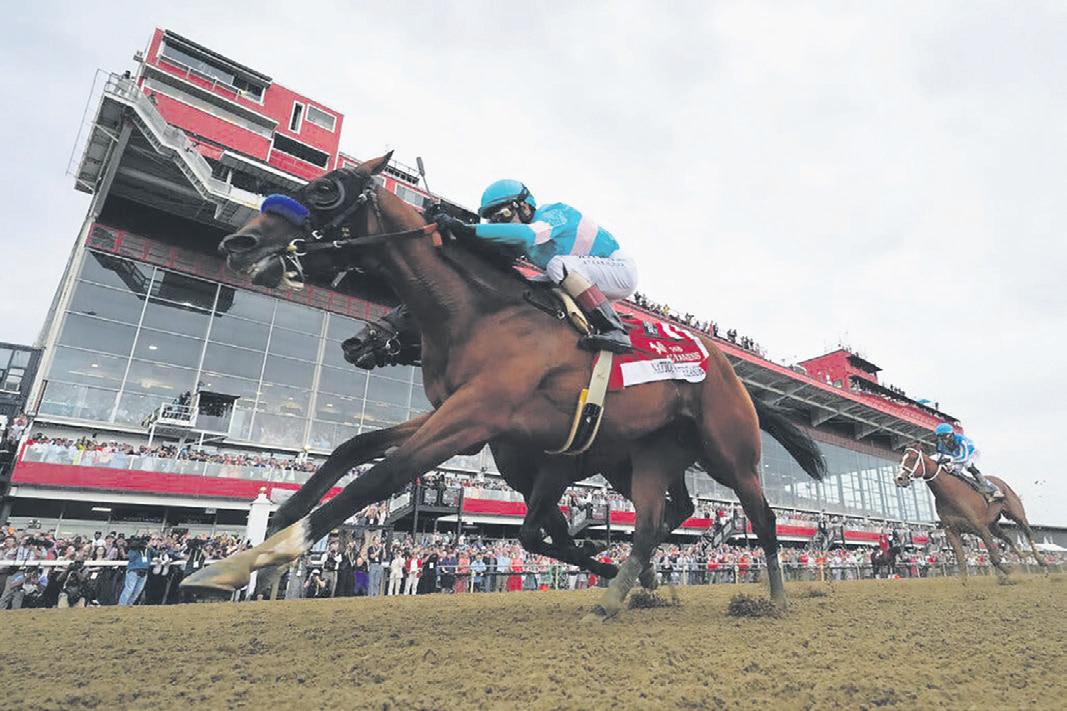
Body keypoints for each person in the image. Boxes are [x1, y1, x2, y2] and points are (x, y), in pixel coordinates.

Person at [434, 179, 637, 353]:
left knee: (558, 265)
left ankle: (614, 330)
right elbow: (494, 254)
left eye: (503, 215)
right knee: (529, 287)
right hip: (587, 277)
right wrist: (454, 235)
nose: (500, 224)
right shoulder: (524, 238)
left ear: (524, 206)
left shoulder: (554, 213)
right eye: (493, 220)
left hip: (619, 270)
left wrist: (466, 229)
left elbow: (526, 235)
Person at [932, 423, 1003, 501]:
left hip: (971, 453)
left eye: (945, 436)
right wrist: (943, 463)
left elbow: (963, 458)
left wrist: (949, 460)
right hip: (958, 456)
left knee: (968, 465)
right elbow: (940, 458)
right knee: (954, 471)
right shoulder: (940, 445)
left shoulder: (961, 440)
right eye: (940, 437)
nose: (944, 440)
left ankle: (993, 489)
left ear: (952, 434)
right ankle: (971, 487)